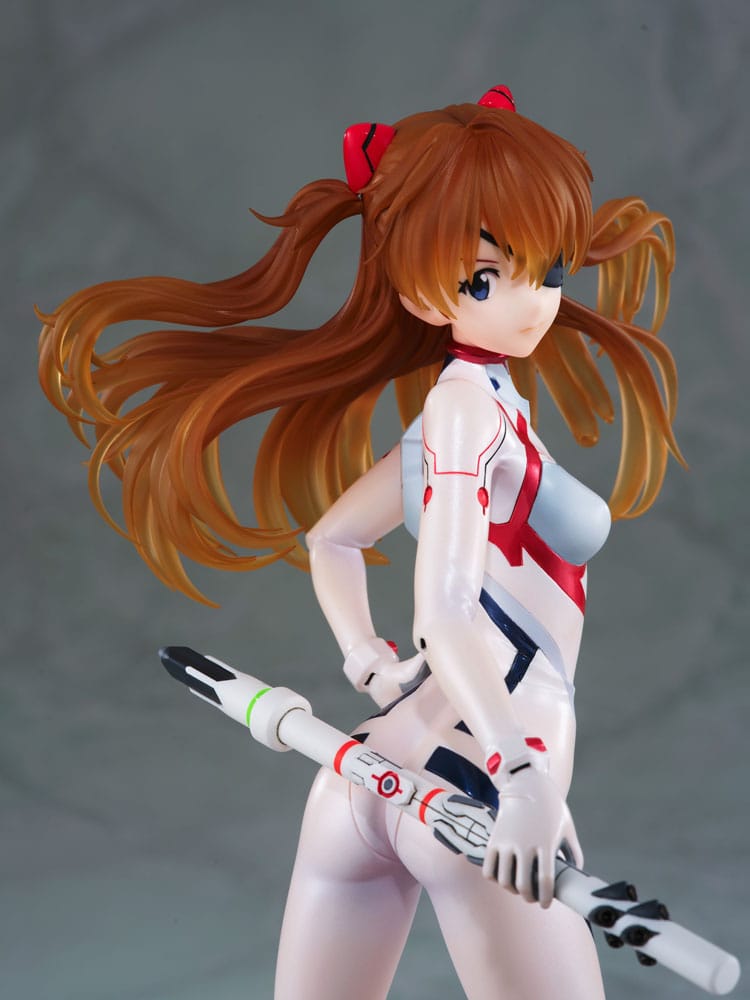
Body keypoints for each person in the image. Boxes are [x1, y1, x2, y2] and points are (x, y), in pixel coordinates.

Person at [38, 86, 681, 999]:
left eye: (549, 269)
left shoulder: (465, 410)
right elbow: (443, 615)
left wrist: (367, 662)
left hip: (371, 774)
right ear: (419, 290)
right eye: (486, 280)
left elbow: (332, 538)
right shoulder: (467, 416)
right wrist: (527, 778)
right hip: (481, 779)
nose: (533, 304)